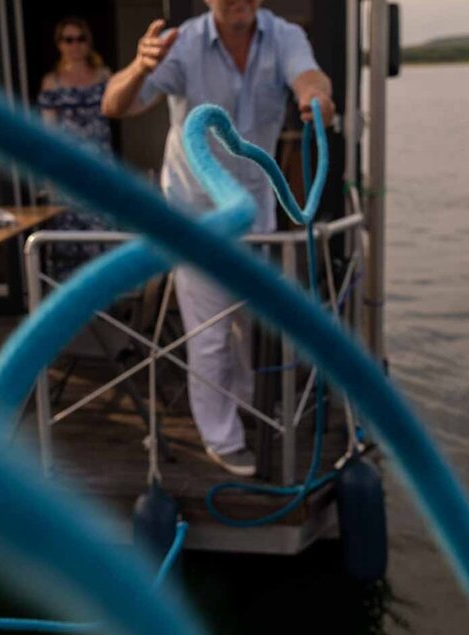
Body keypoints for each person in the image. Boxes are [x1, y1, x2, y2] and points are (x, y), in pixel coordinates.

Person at [102, 1, 335, 476]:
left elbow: (309, 77)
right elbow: (114, 104)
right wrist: (138, 67)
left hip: (255, 213)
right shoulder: (182, 44)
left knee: (243, 325)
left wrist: (317, 100)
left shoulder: (284, 35)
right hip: (195, 217)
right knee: (209, 334)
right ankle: (221, 437)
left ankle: (244, 406)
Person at [36, 17, 114, 279]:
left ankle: (106, 307)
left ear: (88, 42)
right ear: (59, 44)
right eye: (68, 39)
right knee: (68, 243)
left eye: (80, 38)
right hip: (68, 173)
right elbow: (48, 133)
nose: (75, 45)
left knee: (102, 239)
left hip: (100, 169)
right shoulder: (52, 82)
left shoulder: (105, 76)